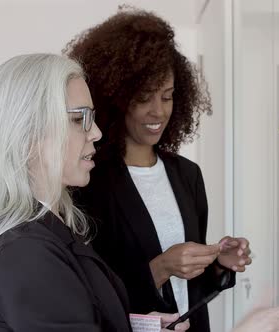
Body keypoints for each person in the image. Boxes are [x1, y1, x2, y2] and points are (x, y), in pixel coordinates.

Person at [0, 53, 279, 332]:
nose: (95, 133)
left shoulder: (50, 230)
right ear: (27, 132)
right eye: (78, 119)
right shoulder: (25, 255)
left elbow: (84, 309)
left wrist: (137, 326)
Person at [66, 8, 252, 331]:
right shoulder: (91, 181)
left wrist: (219, 263)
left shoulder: (187, 175)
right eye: (144, 98)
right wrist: (160, 267)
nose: (158, 111)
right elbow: (91, 291)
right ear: (118, 97)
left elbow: (191, 286)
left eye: (167, 97)